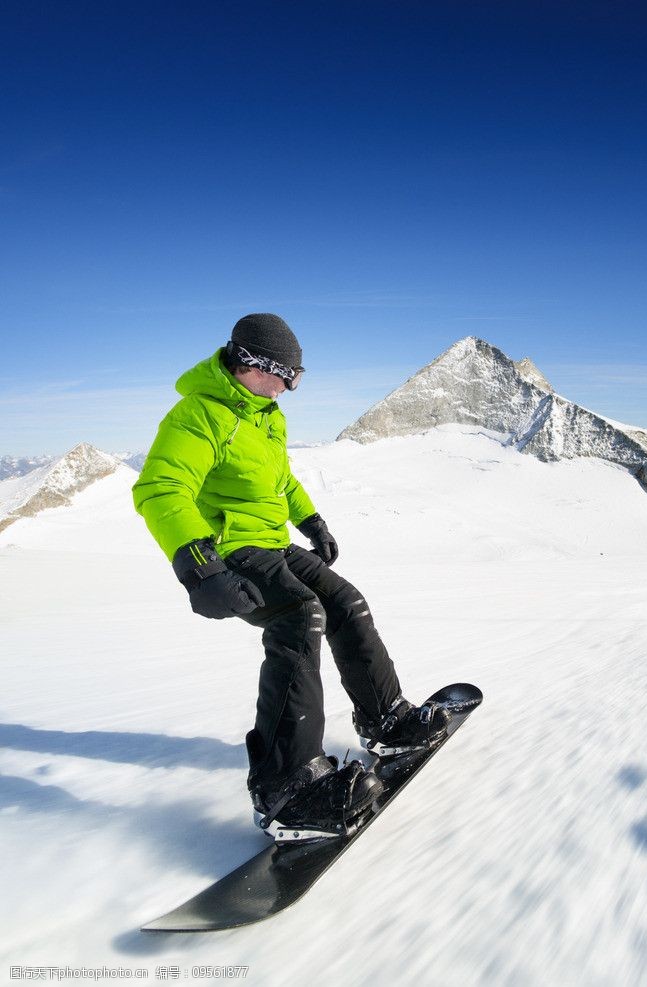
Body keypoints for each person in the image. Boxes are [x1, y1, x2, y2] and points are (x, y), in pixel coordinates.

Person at [133, 313, 450, 838]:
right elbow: (160, 489)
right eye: (285, 376)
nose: (289, 388)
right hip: (231, 552)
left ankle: (386, 720)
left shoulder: (265, 414)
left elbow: (280, 477)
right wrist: (197, 565)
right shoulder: (198, 416)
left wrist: (310, 520)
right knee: (299, 617)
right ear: (249, 365)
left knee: (345, 602)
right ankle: (286, 788)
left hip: (274, 543)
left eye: (297, 378)